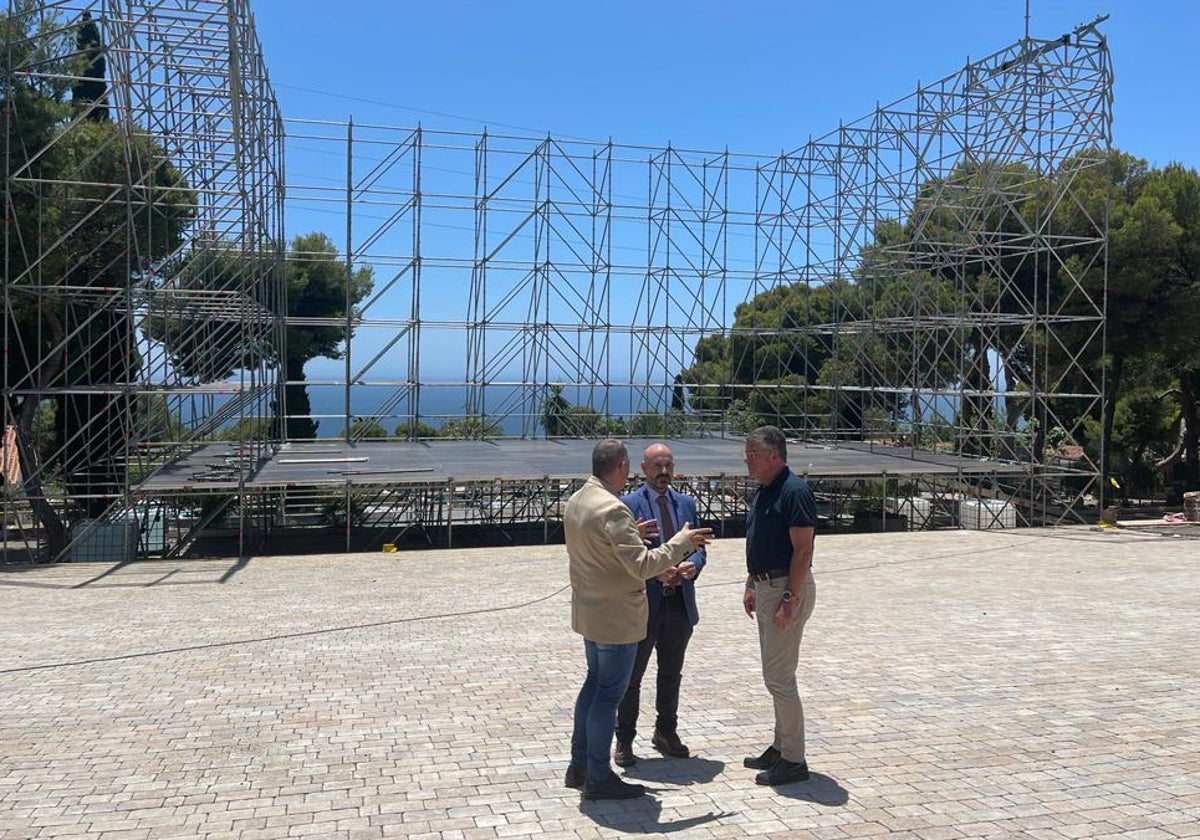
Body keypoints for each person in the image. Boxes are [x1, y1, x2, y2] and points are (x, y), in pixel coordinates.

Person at [564, 439, 713, 800]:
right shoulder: (615, 509)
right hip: (616, 618)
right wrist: (681, 542)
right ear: (622, 467)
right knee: (608, 695)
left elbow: (605, 549)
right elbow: (642, 566)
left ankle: (580, 764)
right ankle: (599, 776)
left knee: (593, 686)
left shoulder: (579, 499)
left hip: (591, 612)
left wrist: (639, 539)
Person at [613, 442, 706, 767]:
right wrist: (656, 572)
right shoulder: (627, 505)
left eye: (668, 466)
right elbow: (623, 555)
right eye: (657, 466)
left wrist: (693, 565)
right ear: (643, 467)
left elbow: (698, 546)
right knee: (631, 677)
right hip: (644, 604)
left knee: (671, 674)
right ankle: (624, 740)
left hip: (679, 603)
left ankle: (666, 732)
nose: (664, 472)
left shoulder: (686, 503)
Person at [741, 425, 818, 786]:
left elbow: (803, 550)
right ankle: (780, 745)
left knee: (779, 678)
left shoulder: (794, 491)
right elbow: (760, 541)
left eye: (752, 453)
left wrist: (790, 599)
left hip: (787, 588)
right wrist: (751, 583)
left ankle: (794, 759)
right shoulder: (765, 490)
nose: (746, 459)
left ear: (774, 455)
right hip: (767, 585)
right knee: (775, 676)